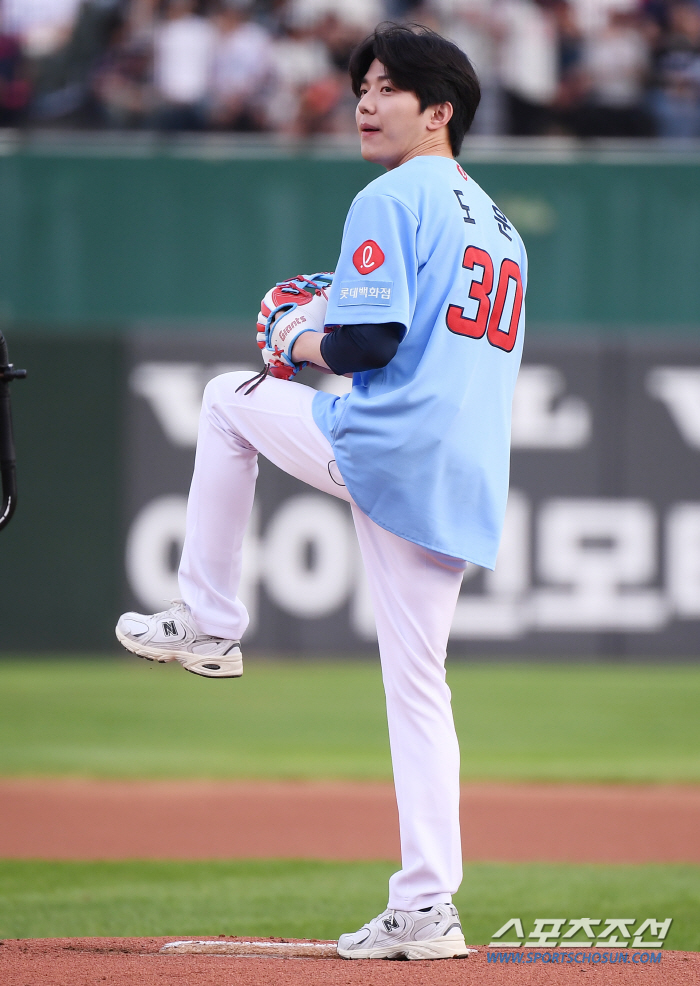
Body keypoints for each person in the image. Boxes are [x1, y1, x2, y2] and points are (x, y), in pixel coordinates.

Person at [116, 22, 526, 961]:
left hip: (389, 444)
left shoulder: (392, 193)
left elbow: (365, 348)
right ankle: (428, 910)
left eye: (388, 89)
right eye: (362, 88)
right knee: (421, 690)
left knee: (227, 399)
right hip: (464, 472)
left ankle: (211, 621)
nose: (367, 104)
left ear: (439, 111)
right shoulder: (497, 223)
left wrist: (294, 339)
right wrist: (326, 320)